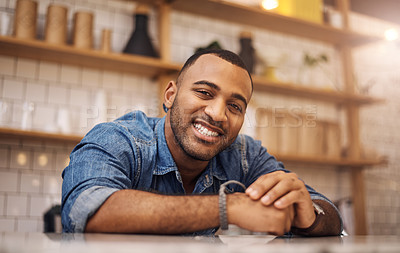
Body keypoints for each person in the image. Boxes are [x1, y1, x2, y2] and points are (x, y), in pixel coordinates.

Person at [61, 49, 342, 236]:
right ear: (170, 95)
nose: (217, 114)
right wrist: (229, 208)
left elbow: (327, 212)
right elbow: (85, 212)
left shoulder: (244, 154)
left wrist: (311, 218)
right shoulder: (118, 139)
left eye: (234, 106)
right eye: (205, 92)